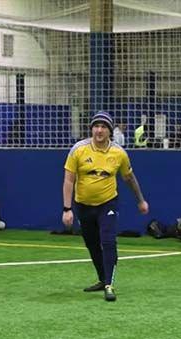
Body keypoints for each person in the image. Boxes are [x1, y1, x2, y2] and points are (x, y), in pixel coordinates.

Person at [62, 111, 149, 302]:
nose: (99, 130)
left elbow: (129, 178)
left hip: (107, 203)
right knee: (92, 243)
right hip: (83, 204)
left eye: (103, 127)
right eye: (96, 126)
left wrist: (140, 200)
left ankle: (109, 284)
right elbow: (69, 180)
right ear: (91, 129)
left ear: (110, 131)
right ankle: (102, 278)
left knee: (108, 241)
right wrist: (67, 209)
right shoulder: (78, 150)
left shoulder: (119, 153)